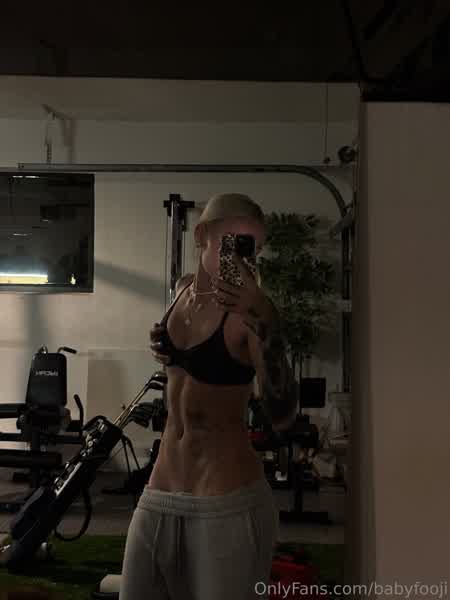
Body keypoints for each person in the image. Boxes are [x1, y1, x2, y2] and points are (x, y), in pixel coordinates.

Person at [119, 193, 298, 600]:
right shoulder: (183, 290)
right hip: (160, 489)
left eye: (252, 248)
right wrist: (161, 341)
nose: (242, 258)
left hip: (225, 496)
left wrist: (266, 320)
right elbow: (183, 364)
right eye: (233, 243)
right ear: (201, 236)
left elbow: (284, 415)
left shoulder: (251, 314)